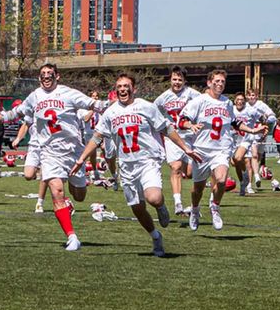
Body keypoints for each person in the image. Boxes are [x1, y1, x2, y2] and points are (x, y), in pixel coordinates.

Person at [71, 74, 202, 256]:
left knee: (154, 198)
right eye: (119, 86)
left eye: (126, 86)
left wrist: (185, 148)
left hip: (147, 160)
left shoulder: (146, 107)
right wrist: (81, 159)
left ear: (134, 89)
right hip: (126, 165)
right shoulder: (110, 112)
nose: (122, 89)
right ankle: (155, 237)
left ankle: (161, 207)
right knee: (138, 209)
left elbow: (166, 128)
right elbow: (97, 136)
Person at [0, 63, 107, 252]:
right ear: (39, 78)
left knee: (79, 195)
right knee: (57, 191)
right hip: (49, 151)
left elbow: (94, 105)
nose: (46, 77)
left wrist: (113, 106)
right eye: (43, 74)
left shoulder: (68, 93)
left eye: (50, 74)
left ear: (57, 76)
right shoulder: (34, 96)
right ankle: (72, 237)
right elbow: (12, 115)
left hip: (73, 150)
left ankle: (70, 201)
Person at [179, 69, 266, 231]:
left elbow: (235, 123)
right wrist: (190, 125)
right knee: (197, 189)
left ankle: (215, 207)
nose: (220, 84)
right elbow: (182, 120)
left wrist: (253, 130)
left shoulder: (227, 103)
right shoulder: (199, 101)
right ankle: (195, 209)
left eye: (222, 82)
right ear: (209, 83)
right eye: (217, 81)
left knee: (221, 179)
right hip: (202, 150)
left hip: (222, 149)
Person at [153, 66, 200, 215]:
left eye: (180, 79)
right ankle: (178, 203)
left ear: (185, 81)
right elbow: (153, 112)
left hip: (190, 136)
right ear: (170, 80)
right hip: (172, 136)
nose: (177, 82)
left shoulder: (193, 94)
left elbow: (204, 104)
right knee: (175, 167)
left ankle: (191, 204)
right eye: (174, 79)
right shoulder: (163, 98)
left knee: (191, 173)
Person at [246, 89, 277, 189]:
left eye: (253, 95)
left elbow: (273, 117)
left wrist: (265, 119)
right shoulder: (245, 107)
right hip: (251, 134)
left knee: (257, 158)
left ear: (257, 96)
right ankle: (255, 178)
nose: (251, 97)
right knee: (253, 156)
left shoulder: (261, 105)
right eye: (249, 95)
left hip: (262, 135)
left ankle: (254, 175)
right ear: (247, 96)